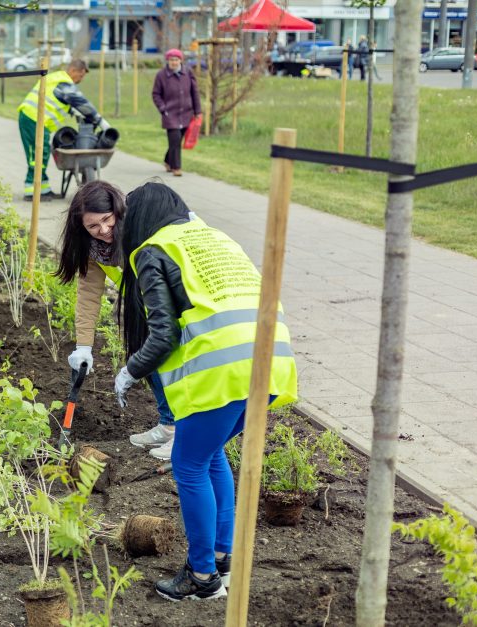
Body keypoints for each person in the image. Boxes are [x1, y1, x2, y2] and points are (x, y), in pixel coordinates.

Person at [113, 182, 297, 602]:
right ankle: (220, 557)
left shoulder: (151, 251)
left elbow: (162, 335)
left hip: (225, 370)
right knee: (211, 455)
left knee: (189, 463)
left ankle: (200, 576)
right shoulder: (214, 238)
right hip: (271, 359)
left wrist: (128, 371)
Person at [55, 181, 176, 458]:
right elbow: (88, 295)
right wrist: (83, 346)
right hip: (142, 308)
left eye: (107, 220)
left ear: (118, 211)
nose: (104, 230)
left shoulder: (139, 229)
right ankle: (168, 425)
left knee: (172, 363)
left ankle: (184, 433)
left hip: (170, 303)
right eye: (93, 226)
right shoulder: (92, 250)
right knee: (145, 358)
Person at [17, 59, 109, 200]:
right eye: (81, 75)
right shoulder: (63, 82)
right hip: (32, 118)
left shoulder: (57, 79)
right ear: (73, 70)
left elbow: (61, 100)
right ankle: (31, 191)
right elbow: (80, 101)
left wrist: (73, 111)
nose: (81, 79)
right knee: (36, 155)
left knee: (43, 153)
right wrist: (100, 121)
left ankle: (44, 189)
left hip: (37, 120)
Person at [152, 49, 201, 177]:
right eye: (171, 60)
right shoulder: (161, 75)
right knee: (175, 140)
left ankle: (168, 160)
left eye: (176, 60)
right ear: (168, 61)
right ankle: (176, 167)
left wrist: (197, 111)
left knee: (177, 141)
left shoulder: (188, 73)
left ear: (181, 60)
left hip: (186, 113)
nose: (174, 62)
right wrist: (163, 108)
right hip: (170, 114)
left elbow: (194, 93)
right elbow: (156, 94)